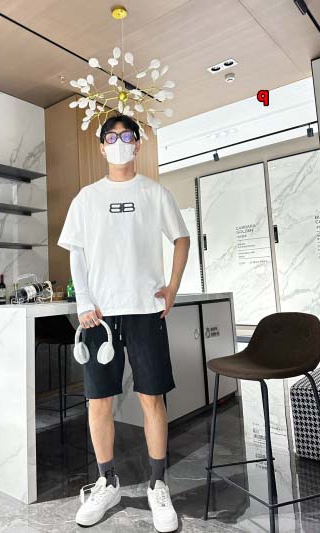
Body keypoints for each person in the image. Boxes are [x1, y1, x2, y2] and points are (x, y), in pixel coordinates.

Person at [57, 114, 190, 532]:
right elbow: (76, 253)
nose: (119, 142)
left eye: (126, 136)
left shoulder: (154, 193)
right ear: (102, 147)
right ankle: (107, 481)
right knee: (98, 401)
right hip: (99, 316)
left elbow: (181, 237)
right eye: (111, 137)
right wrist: (84, 302)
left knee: (152, 398)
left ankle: (157, 484)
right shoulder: (87, 198)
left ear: (137, 144)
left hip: (146, 311)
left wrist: (172, 286)